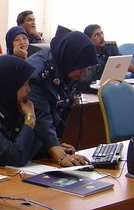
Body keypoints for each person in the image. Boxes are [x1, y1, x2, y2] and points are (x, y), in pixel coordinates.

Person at [25, 31, 96, 167]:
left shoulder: (65, 65)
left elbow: (65, 106)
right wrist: (59, 154)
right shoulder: (38, 74)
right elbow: (40, 117)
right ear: (71, 60)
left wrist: (56, 144)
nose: (84, 73)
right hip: (21, 142)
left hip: (40, 144)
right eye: (81, 68)